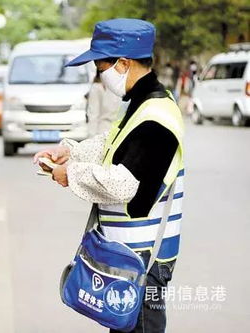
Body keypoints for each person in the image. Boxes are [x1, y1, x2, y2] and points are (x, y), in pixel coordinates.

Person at [34, 18, 184, 333]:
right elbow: (111, 144)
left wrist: (69, 174)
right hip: (128, 255)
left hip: (145, 261)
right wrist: (71, 153)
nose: (99, 77)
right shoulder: (139, 104)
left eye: (101, 68)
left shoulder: (157, 116)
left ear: (124, 63)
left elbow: (123, 183)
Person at [86, 71, 122, 137]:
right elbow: (93, 114)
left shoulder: (119, 86)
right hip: (102, 131)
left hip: (118, 131)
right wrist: (91, 137)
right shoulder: (97, 87)